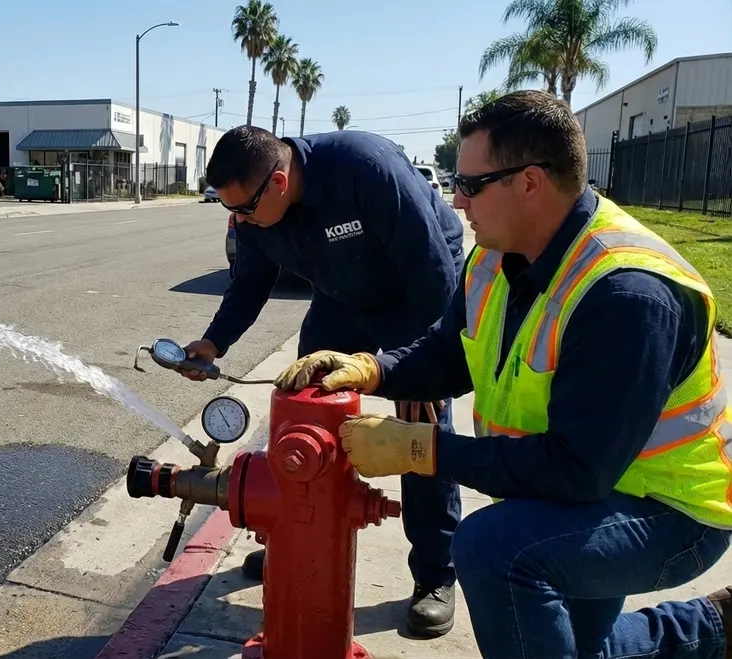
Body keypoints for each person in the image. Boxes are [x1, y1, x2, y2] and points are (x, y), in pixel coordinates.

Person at [275, 89, 732, 658]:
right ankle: (712, 627)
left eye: (469, 184)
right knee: (572, 649)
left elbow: (575, 470)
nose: (457, 201)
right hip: (603, 488)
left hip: (670, 513)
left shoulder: (627, 295)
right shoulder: (494, 257)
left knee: (495, 550)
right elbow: (449, 353)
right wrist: (372, 370)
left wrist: (422, 450)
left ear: (529, 183)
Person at [183, 124, 467, 637]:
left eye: (243, 209)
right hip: (341, 299)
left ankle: (434, 575)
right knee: (303, 407)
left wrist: (425, 371)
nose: (238, 220)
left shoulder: (364, 168)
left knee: (421, 429)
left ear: (278, 181)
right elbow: (249, 282)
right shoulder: (254, 213)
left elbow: (432, 267)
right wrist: (214, 342)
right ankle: (294, 541)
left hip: (414, 295)